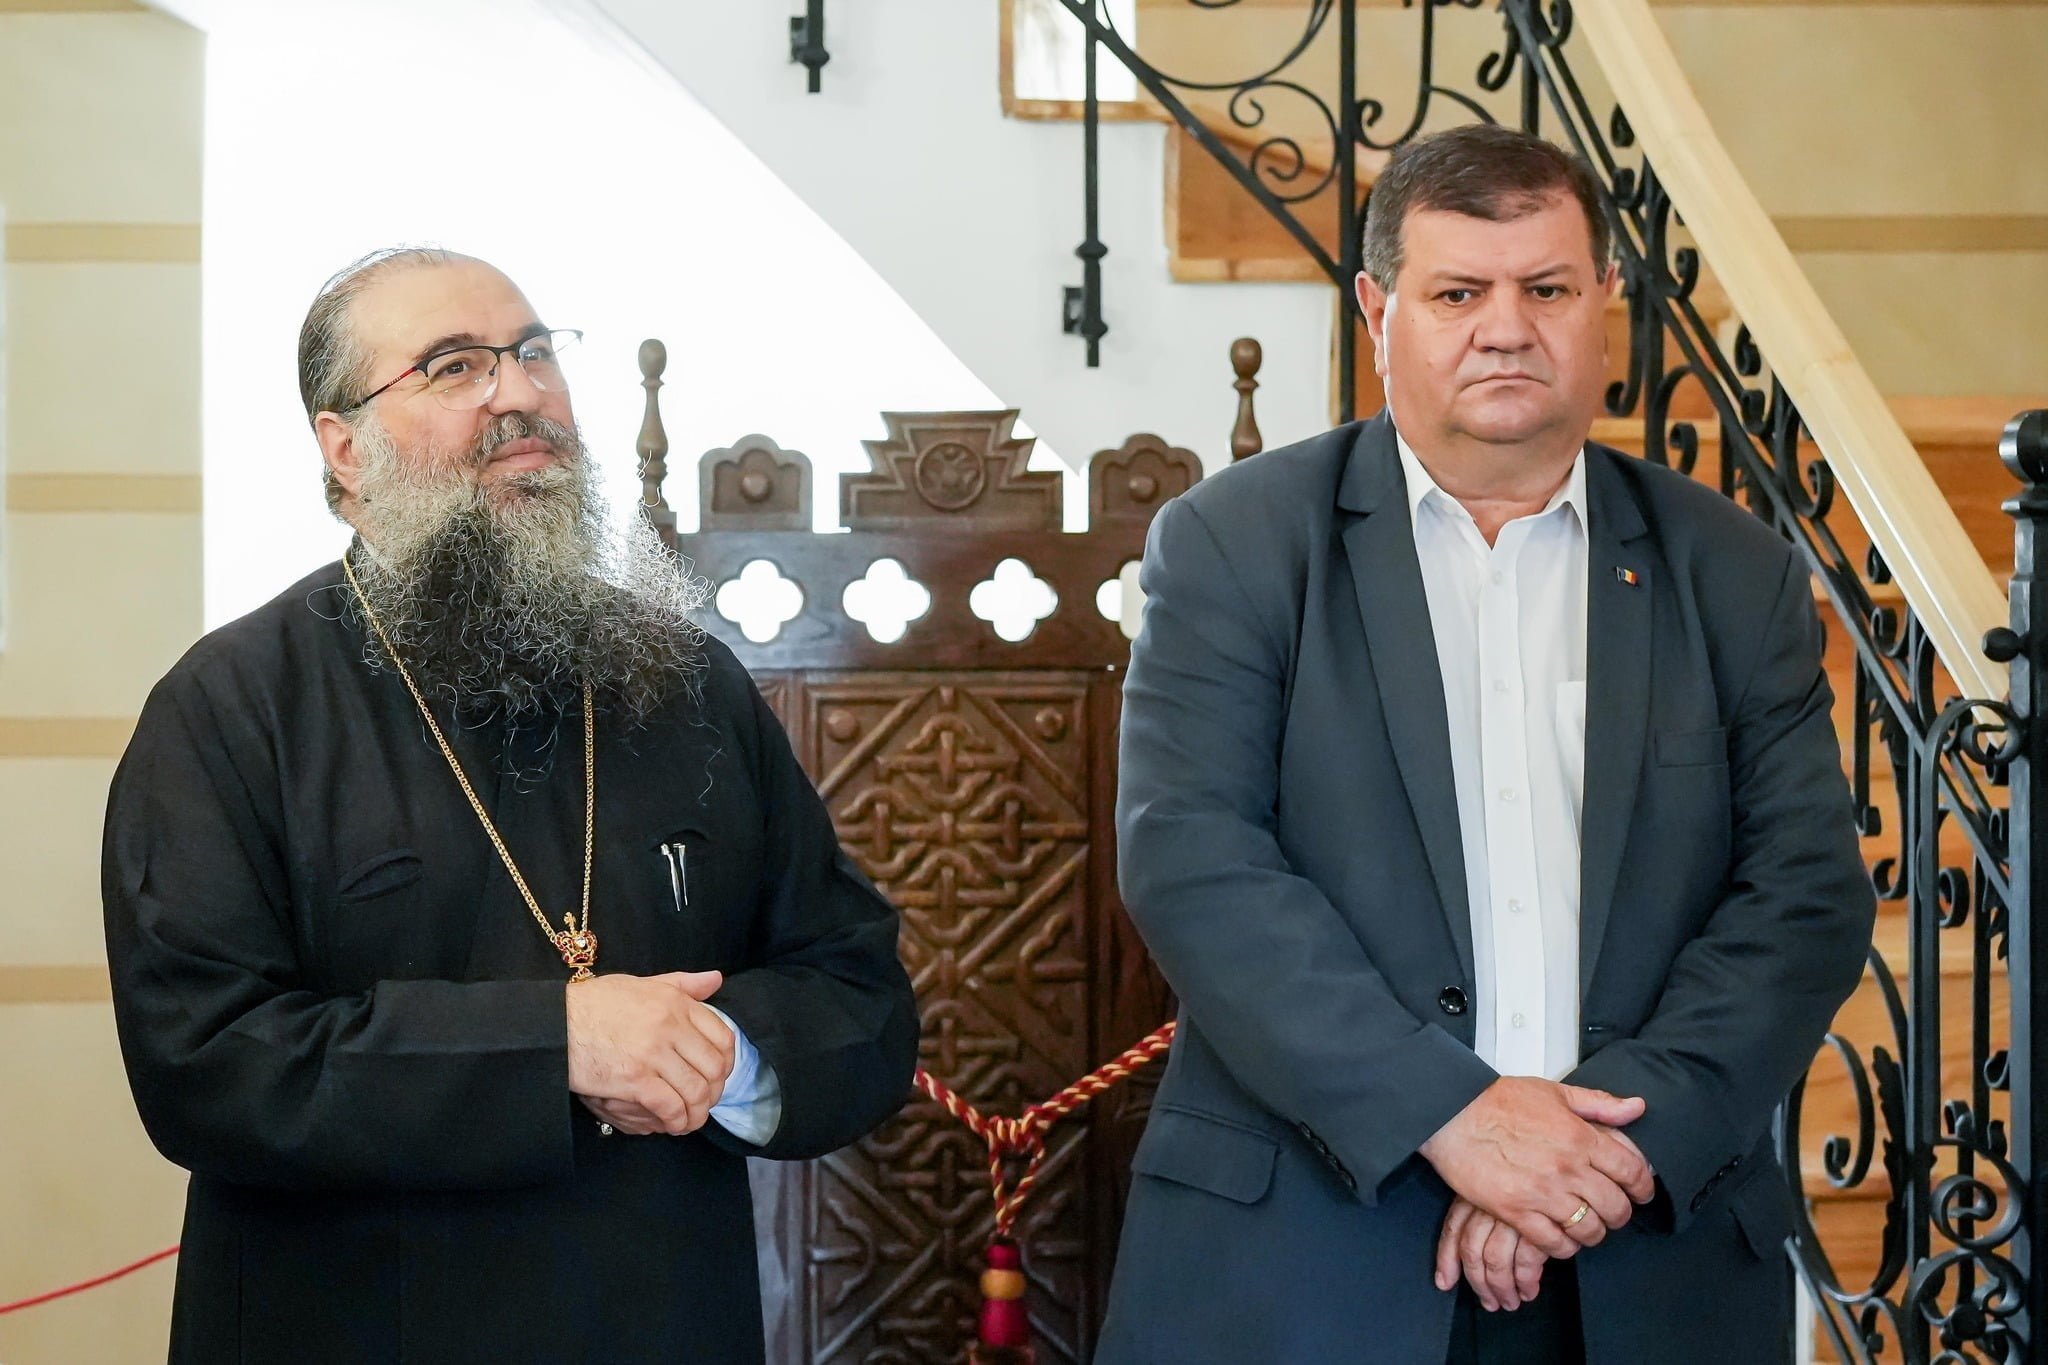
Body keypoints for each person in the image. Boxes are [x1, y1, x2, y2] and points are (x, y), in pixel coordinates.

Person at [1098, 125, 1873, 1364]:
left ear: (1603, 302)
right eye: (1457, 293)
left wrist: (1599, 1156)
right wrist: (1453, 1118)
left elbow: (1802, 897)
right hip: (1306, 1259)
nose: (1504, 329)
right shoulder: (1235, 545)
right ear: (1377, 311)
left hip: (1642, 1259)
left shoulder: (1732, 572)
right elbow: (1194, 861)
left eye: (1545, 289)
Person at [102, 247, 919, 1364]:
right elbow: (205, 1060)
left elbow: (857, 989)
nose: (519, 392)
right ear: (345, 449)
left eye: (536, 353)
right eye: (455, 366)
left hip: (661, 1322)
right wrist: (559, 1043)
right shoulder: (232, 706)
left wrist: (724, 1056)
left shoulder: (688, 685)